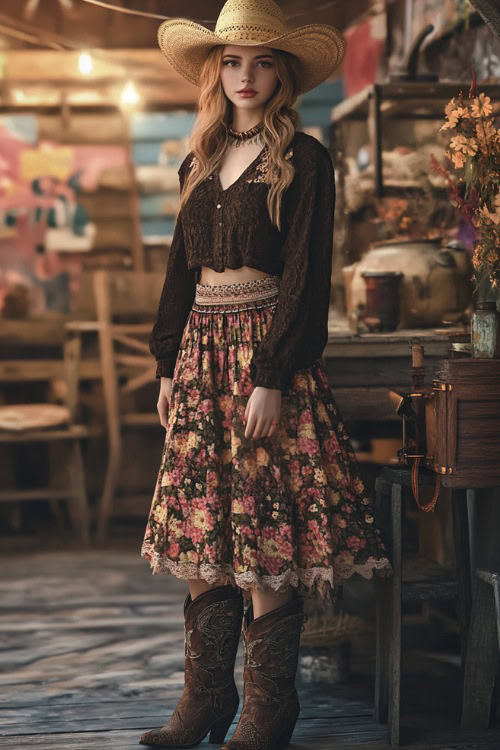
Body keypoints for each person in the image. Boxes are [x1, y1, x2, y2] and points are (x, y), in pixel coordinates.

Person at [140, 1, 393, 748]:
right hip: (198, 355)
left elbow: (309, 276)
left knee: (261, 538)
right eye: (232, 61)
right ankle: (205, 702)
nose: (245, 76)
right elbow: (179, 273)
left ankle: (267, 710)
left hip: (264, 354)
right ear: (216, 72)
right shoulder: (198, 161)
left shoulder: (305, 158)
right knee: (198, 537)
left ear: (283, 74)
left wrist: (275, 374)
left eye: (262, 62)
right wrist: (165, 363)